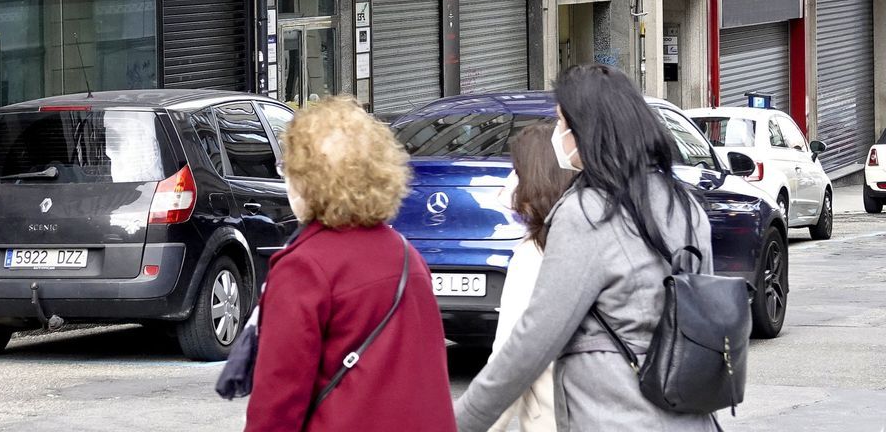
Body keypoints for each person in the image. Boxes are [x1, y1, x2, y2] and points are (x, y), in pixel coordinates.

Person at [454, 64, 718, 431]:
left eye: (562, 124)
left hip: (616, 417)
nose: (557, 136)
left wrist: (461, 420)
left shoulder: (588, 212)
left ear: (587, 132)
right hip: (688, 416)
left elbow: (535, 339)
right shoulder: (683, 204)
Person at [244, 96, 455, 432]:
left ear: (308, 180)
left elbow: (277, 402)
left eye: (289, 168)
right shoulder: (406, 256)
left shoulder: (304, 268)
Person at [486, 124, 575, 432]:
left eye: (517, 172)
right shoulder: (593, 239)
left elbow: (509, 364)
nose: (510, 184)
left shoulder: (532, 255)